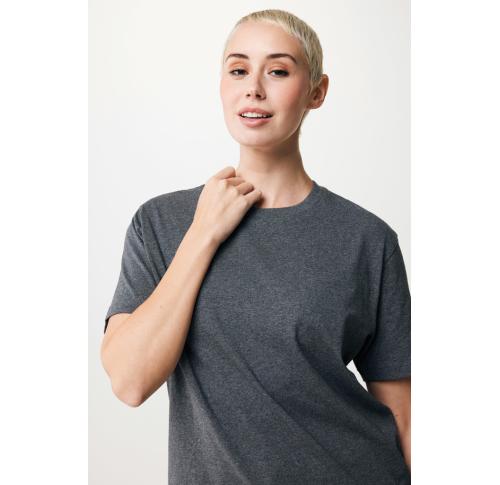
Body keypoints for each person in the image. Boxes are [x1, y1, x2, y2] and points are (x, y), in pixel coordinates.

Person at [100, 8, 411, 484]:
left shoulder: (367, 239)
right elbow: (130, 381)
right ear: (221, 85)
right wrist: (203, 233)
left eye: (278, 71)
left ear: (317, 92)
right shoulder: (161, 224)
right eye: (238, 70)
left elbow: (404, 416)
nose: (254, 89)